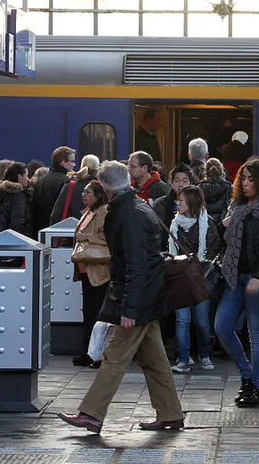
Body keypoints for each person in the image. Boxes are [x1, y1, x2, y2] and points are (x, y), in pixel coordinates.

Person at [57, 161, 184, 434]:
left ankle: (91, 414)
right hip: (148, 296)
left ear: (104, 186)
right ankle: (171, 413)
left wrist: (129, 308)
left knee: (114, 357)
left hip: (139, 300)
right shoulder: (136, 207)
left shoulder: (126, 214)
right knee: (154, 359)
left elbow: (134, 265)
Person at [216, 159, 259, 407]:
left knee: (257, 332)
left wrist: (258, 276)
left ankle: (258, 387)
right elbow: (227, 241)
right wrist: (226, 223)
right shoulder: (237, 206)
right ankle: (247, 375)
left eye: (251, 179)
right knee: (222, 326)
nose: (245, 184)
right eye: (242, 178)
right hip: (235, 275)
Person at [168, 186, 222, 374]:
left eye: (181, 200)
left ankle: (204, 354)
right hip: (180, 278)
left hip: (201, 278)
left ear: (191, 202)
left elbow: (214, 251)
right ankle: (183, 358)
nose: (178, 203)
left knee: (202, 321)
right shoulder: (174, 223)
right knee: (182, 320)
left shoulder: (208, 224)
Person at [71, 180, 111, 368]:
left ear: (98, 195)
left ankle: (97, 354)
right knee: (89, 312)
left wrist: (86, 237)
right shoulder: (89, 212)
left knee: (96, 313)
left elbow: (107, 238)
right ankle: (88, 351)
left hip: (98, 270)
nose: (83, 195)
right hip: (87, 269)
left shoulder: (103, 212)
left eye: (88, 192)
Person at [32, 146, 75, 234]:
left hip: (39, 229)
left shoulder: (40, 180)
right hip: (56, 229)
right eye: (72, 161)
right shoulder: (66, 182)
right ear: (63, 162)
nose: (74, 164)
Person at [51, 154, 100, 223]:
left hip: (72, 230)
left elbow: (56, 215)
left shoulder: (69, 187)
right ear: (97, 170)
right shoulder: (103, 189)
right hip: (96, 231)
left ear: (81, 167)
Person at [0, 162, 33, 238]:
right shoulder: (18, 195)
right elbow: (17, 222)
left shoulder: (1, 192)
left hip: (0, 236)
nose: (28, 179)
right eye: (26, 175)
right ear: (19, 177)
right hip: (16, 240)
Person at [153, 163, 194, 233]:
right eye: (177, 181)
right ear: (171, 182)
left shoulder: (196, 204)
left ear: (191, 183)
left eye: (184, 181)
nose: (180, 185)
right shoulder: (159, 204)